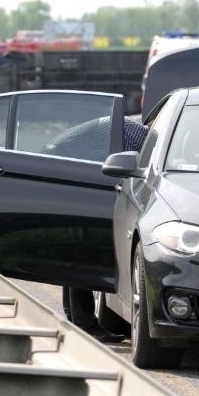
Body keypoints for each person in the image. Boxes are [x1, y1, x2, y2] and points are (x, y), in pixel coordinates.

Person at [63, 118, 149, 343]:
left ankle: (75, 319)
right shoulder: (145, 140)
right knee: (84, 254)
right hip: (82, 182)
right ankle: (86, 325)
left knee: (73, 254)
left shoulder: (130, 128)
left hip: (68, 172)